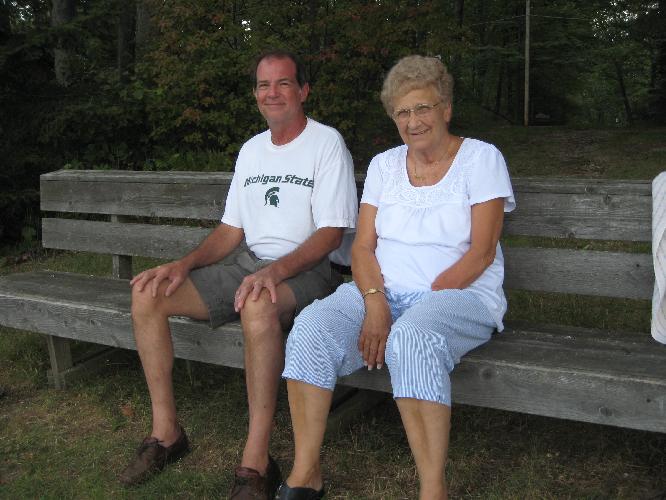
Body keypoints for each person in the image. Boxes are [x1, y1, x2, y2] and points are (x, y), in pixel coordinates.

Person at [118, 49, 358, 500]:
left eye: (284, 83)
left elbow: (330, 234)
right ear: (255, 94)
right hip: (248, 264)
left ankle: (256, 460)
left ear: (303, 91)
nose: (273, 93)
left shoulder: (327, 144)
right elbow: (231, 231)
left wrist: (276, 272)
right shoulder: (251, 151)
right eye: (264, 85)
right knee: (148, 295)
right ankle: (166, 433)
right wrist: (183, 264)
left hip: (309, 270)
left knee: (257, 305)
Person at [277, 55, 515, 500]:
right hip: (381, 291)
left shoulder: (481, 159)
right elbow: (363, 248)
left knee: (411, 337)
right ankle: (306, 472)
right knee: (310, 327)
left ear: (445, 108)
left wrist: (410, 311)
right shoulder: (385, 166)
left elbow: (481, 254)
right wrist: (375, 301)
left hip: (460, 295)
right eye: (402, 112)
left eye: (423, 108)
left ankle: (432, 490)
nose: (413, 121)